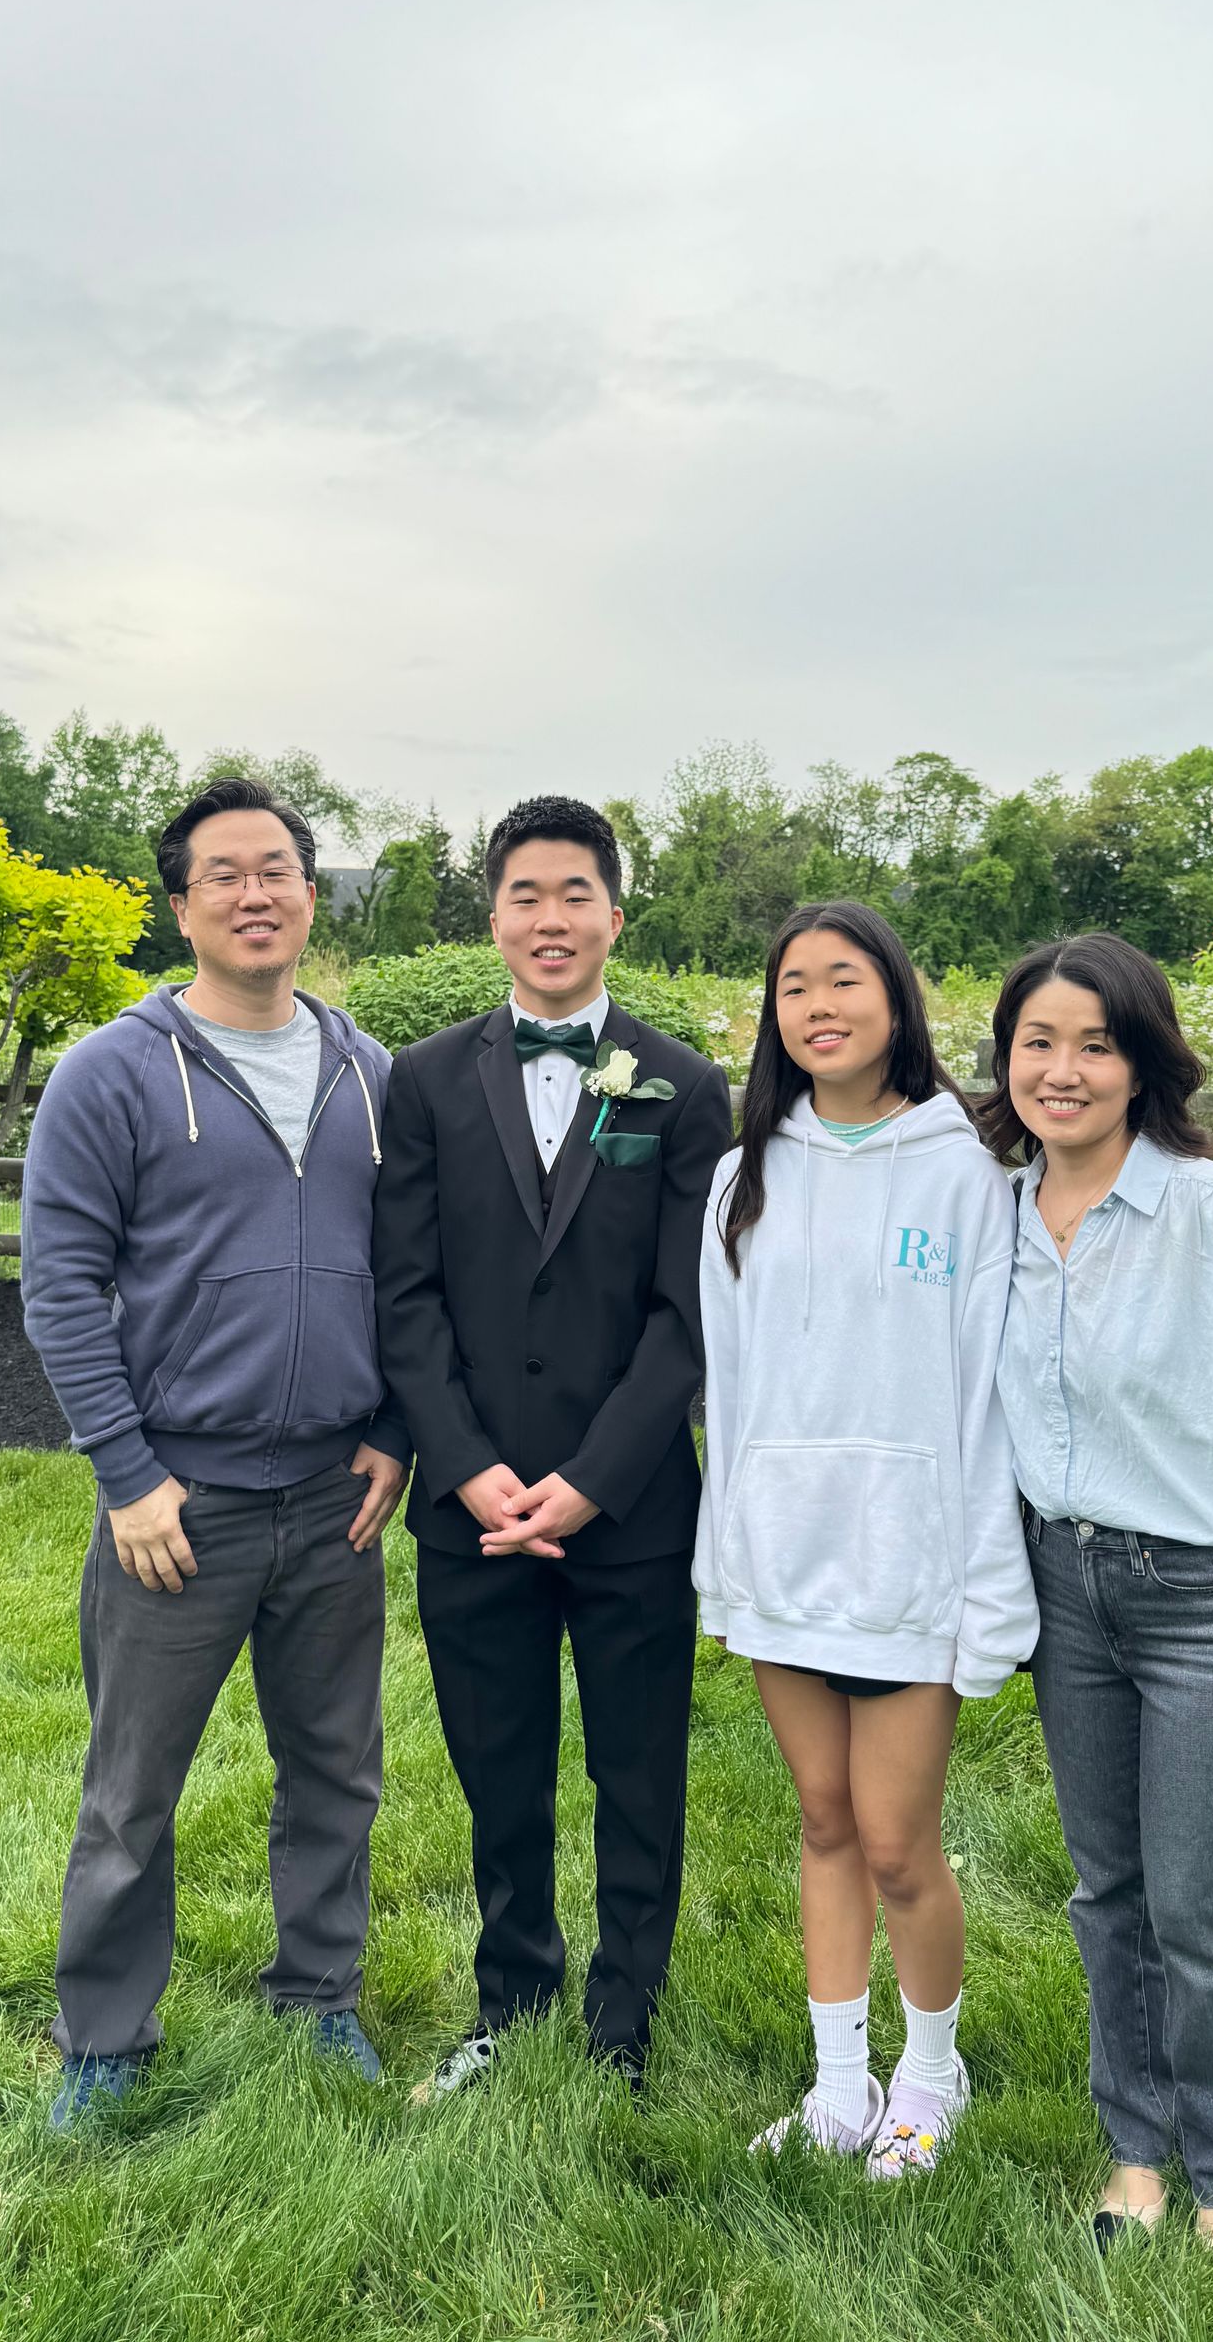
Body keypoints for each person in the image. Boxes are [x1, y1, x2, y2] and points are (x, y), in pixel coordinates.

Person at [21, 776, 409, 2128]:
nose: (256, 893)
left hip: (336, 1498)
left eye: (278, 869)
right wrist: (128, 1476)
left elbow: (412, 1273)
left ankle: (320, 1995)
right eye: (225, 875)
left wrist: (394, 1433)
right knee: (133, 1789)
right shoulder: (113, 1073)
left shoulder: (371, 1074)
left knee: (337, 1772)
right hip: (178, 1506)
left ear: (309, 894)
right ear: (181, 907)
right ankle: (105, 2036)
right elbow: (59, 1286)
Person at [978, 931, 1213, 2277]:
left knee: (1198, 1899)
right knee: (1109, 1888)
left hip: (1208, 1593)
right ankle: (1135, 2145)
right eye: (1038, 1042)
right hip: (1065, 1586)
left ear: (1142, 1063)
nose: (1063, 1069)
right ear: (1006, 1060)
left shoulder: (1209, 1209)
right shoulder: (997, 1211)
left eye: (1096, 1044)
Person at [372, 795, 732, 2098]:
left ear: (614, 915)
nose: (551, 918)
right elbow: (404, 1294)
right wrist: (464, 1463)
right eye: (526, 894)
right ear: (494, 919)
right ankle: (512, 1993)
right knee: (500, 1771)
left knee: (638, 1773)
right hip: (471, 1507)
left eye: (576, 893)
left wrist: (591, 1481)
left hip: (629, 1507)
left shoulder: (682, 1087)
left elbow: (689, 1314)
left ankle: (625, 2018)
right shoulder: (422, 1082)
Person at [693, 902, 1038, 2178]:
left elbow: (985, 1392)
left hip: (910, 1560)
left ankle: (931, 2073)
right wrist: (726, 1548)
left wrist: (984, 1580)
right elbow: (730, 1385)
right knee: (825, 1822)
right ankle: (839, 2083)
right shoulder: (743, 1176)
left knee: (898, 1843)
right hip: (783, 1552)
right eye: (794, 986)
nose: (818, 1005)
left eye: (844, 980)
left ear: (896, 998)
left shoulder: (966, 1171)